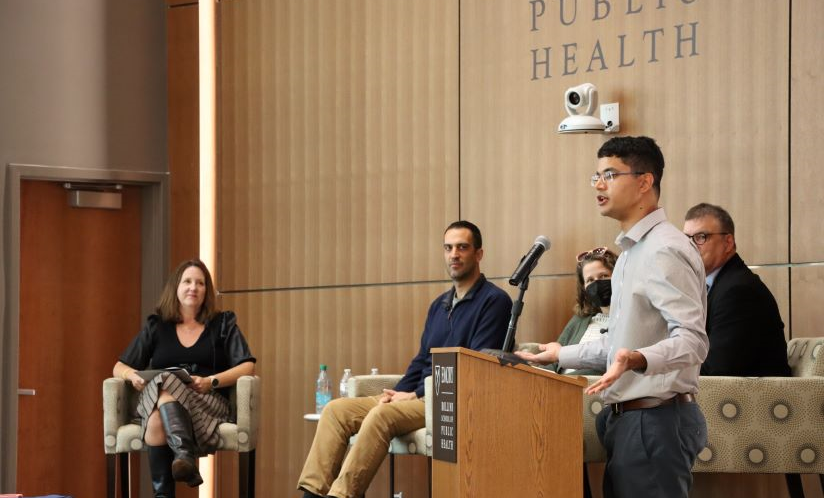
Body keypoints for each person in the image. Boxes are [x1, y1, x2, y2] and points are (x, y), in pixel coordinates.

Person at [516, 136, 708, 498]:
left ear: (644, 182)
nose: (598, 185)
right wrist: (559, 354)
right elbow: (622, 341)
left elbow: (694, 341)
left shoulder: (664, 249)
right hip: (627, 419)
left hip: (655, 420)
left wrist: (637, 358)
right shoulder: (631, 253)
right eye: (596, 176)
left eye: (609, 174)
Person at [297, 221, 511, 498]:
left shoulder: (495, 301)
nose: (454, 254)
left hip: (450, 399)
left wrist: (416, 394)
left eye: (462, 247)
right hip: (420, 397)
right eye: (448, 248)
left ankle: (343, 495)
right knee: (336, 411)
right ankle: (311, 494)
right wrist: (399, 392)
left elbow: (476, 367)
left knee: (382, 415)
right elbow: (422, 359)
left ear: (479, 254)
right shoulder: (439, 305)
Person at [113, 259, 256, 498]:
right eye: (187, 281)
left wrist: (211, 381)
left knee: (159, 409)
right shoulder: (157, 326)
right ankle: (183, 457)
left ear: (206, 291)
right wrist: (132, 376)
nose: (193, 287)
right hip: (161, 399)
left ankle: (181, 461)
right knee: (165, 385)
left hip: (205, 401)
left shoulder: (223, 324)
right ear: (175, 288)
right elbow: (119, 366)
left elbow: (247, 366)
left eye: (200, 283)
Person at [683, 203, 791, 376]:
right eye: (686, 239)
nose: (690, 246)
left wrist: (665, 371)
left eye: (700, 237)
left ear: (728, 242)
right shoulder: (715, 285)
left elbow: (717, 368)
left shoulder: (739, 291)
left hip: (757, 400)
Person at [542, 247, 618, 375]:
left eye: (603, 276)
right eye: (590, 280)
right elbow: (553, 358)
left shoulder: (629, 319)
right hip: (557, 386)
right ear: (584, 287)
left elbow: (605, 364)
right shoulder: (580, 319)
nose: (597, 284)